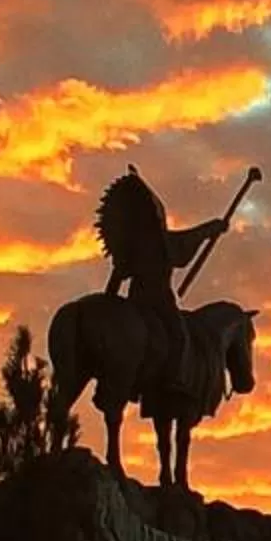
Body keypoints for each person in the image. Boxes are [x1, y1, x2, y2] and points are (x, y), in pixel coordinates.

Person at [95, 168, 227, 396]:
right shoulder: (163, 242)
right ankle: (173, 380)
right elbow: (190, 237)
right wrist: (212, 228)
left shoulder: (133, 246)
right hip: (159, 303)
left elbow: (117, 277)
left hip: (134, 302)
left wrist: (109, 304)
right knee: (179, 336)